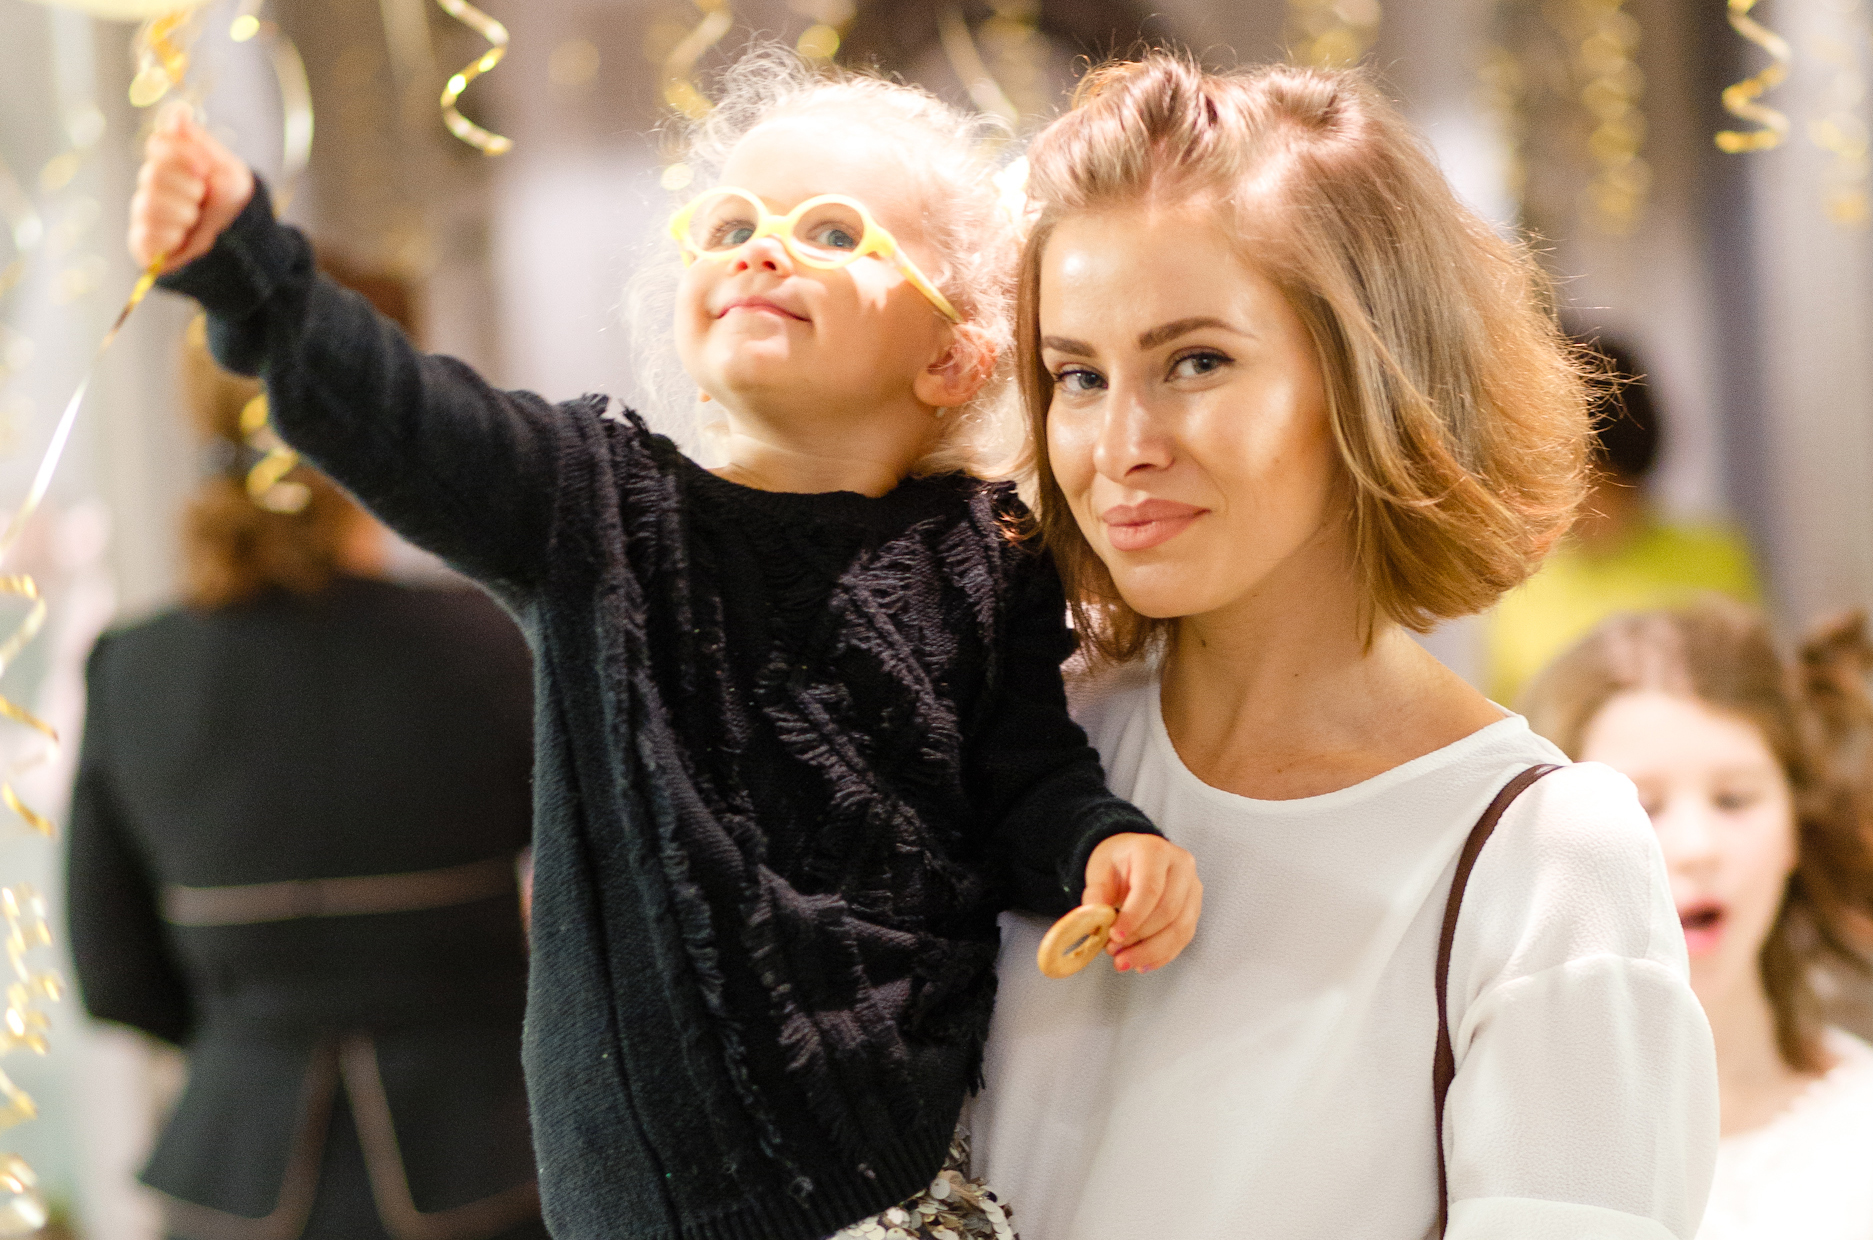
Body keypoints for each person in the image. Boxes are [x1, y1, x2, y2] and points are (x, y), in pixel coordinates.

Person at [125, 48, 1201, 1240]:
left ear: (953, 353)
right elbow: (410, 418)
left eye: (833, 233)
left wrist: (1100, 843)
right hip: (660, 1198)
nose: (762, 249)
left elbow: (1026, 778)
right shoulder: (597, 510)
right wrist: (255, 273)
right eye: (731, 224)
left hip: (900, 1176)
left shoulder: (986, 552)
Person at [967, 55, 1718, 1238]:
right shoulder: (1018, 756)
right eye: (1077, 374)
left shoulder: (1542, 861)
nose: (1119, 445)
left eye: (1195, 361)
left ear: (1373, 375)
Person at [67, 304, 544, 1239]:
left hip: (231, 1174)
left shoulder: (133, 664)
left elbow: (112, 972)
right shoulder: (488, 638)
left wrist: (248, 1039)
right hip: (491, 1161)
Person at [1521, 601, 1873, 1240]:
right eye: (1642, 805)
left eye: (1734, 799)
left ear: (1794, 829)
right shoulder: (1492, 1132)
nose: (1696, 846)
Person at [1484, 339, 1761, 705]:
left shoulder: (1711, 557)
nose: (1581, 501)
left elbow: (1753, 691)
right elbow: (1507, 711)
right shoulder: (1521, 581)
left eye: (1598, 477)